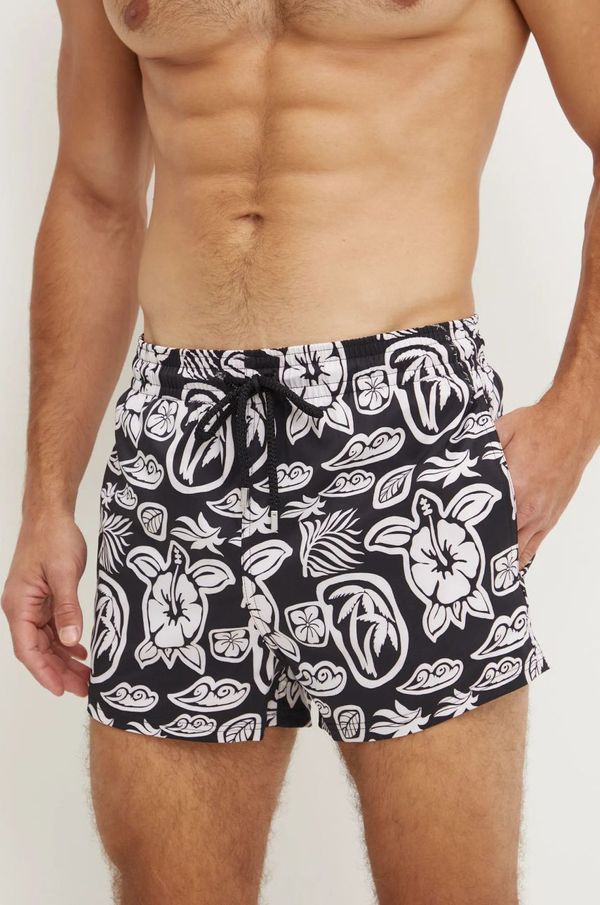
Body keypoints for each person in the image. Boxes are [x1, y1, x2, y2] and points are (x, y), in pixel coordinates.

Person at [2, 0, 599, 903]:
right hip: (176, 438)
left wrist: (573, 424)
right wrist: (46, 497)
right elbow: (96, 196)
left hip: (402, 432)